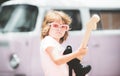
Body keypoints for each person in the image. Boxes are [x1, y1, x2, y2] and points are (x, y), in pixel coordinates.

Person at [40, 10, 88, 76]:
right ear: (47, 26)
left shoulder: (56, 44)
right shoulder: (48, 40)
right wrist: (78, 52)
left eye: (63, 26)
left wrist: (79, 54)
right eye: (55, 25)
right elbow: (57, 60)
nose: (59, 29)